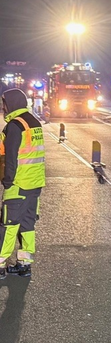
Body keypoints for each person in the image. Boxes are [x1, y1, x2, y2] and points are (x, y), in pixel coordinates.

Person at [0, 88, 46, 279]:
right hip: (35, 184)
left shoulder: (15, 126)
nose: (2, 108)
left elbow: (11, 158)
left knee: (8, 225)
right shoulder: (33, 122)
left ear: (10, 103)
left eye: (4, 104)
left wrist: (7, 181)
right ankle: (24, 264)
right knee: (27, 225)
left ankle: (0, 264)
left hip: (18, 183)